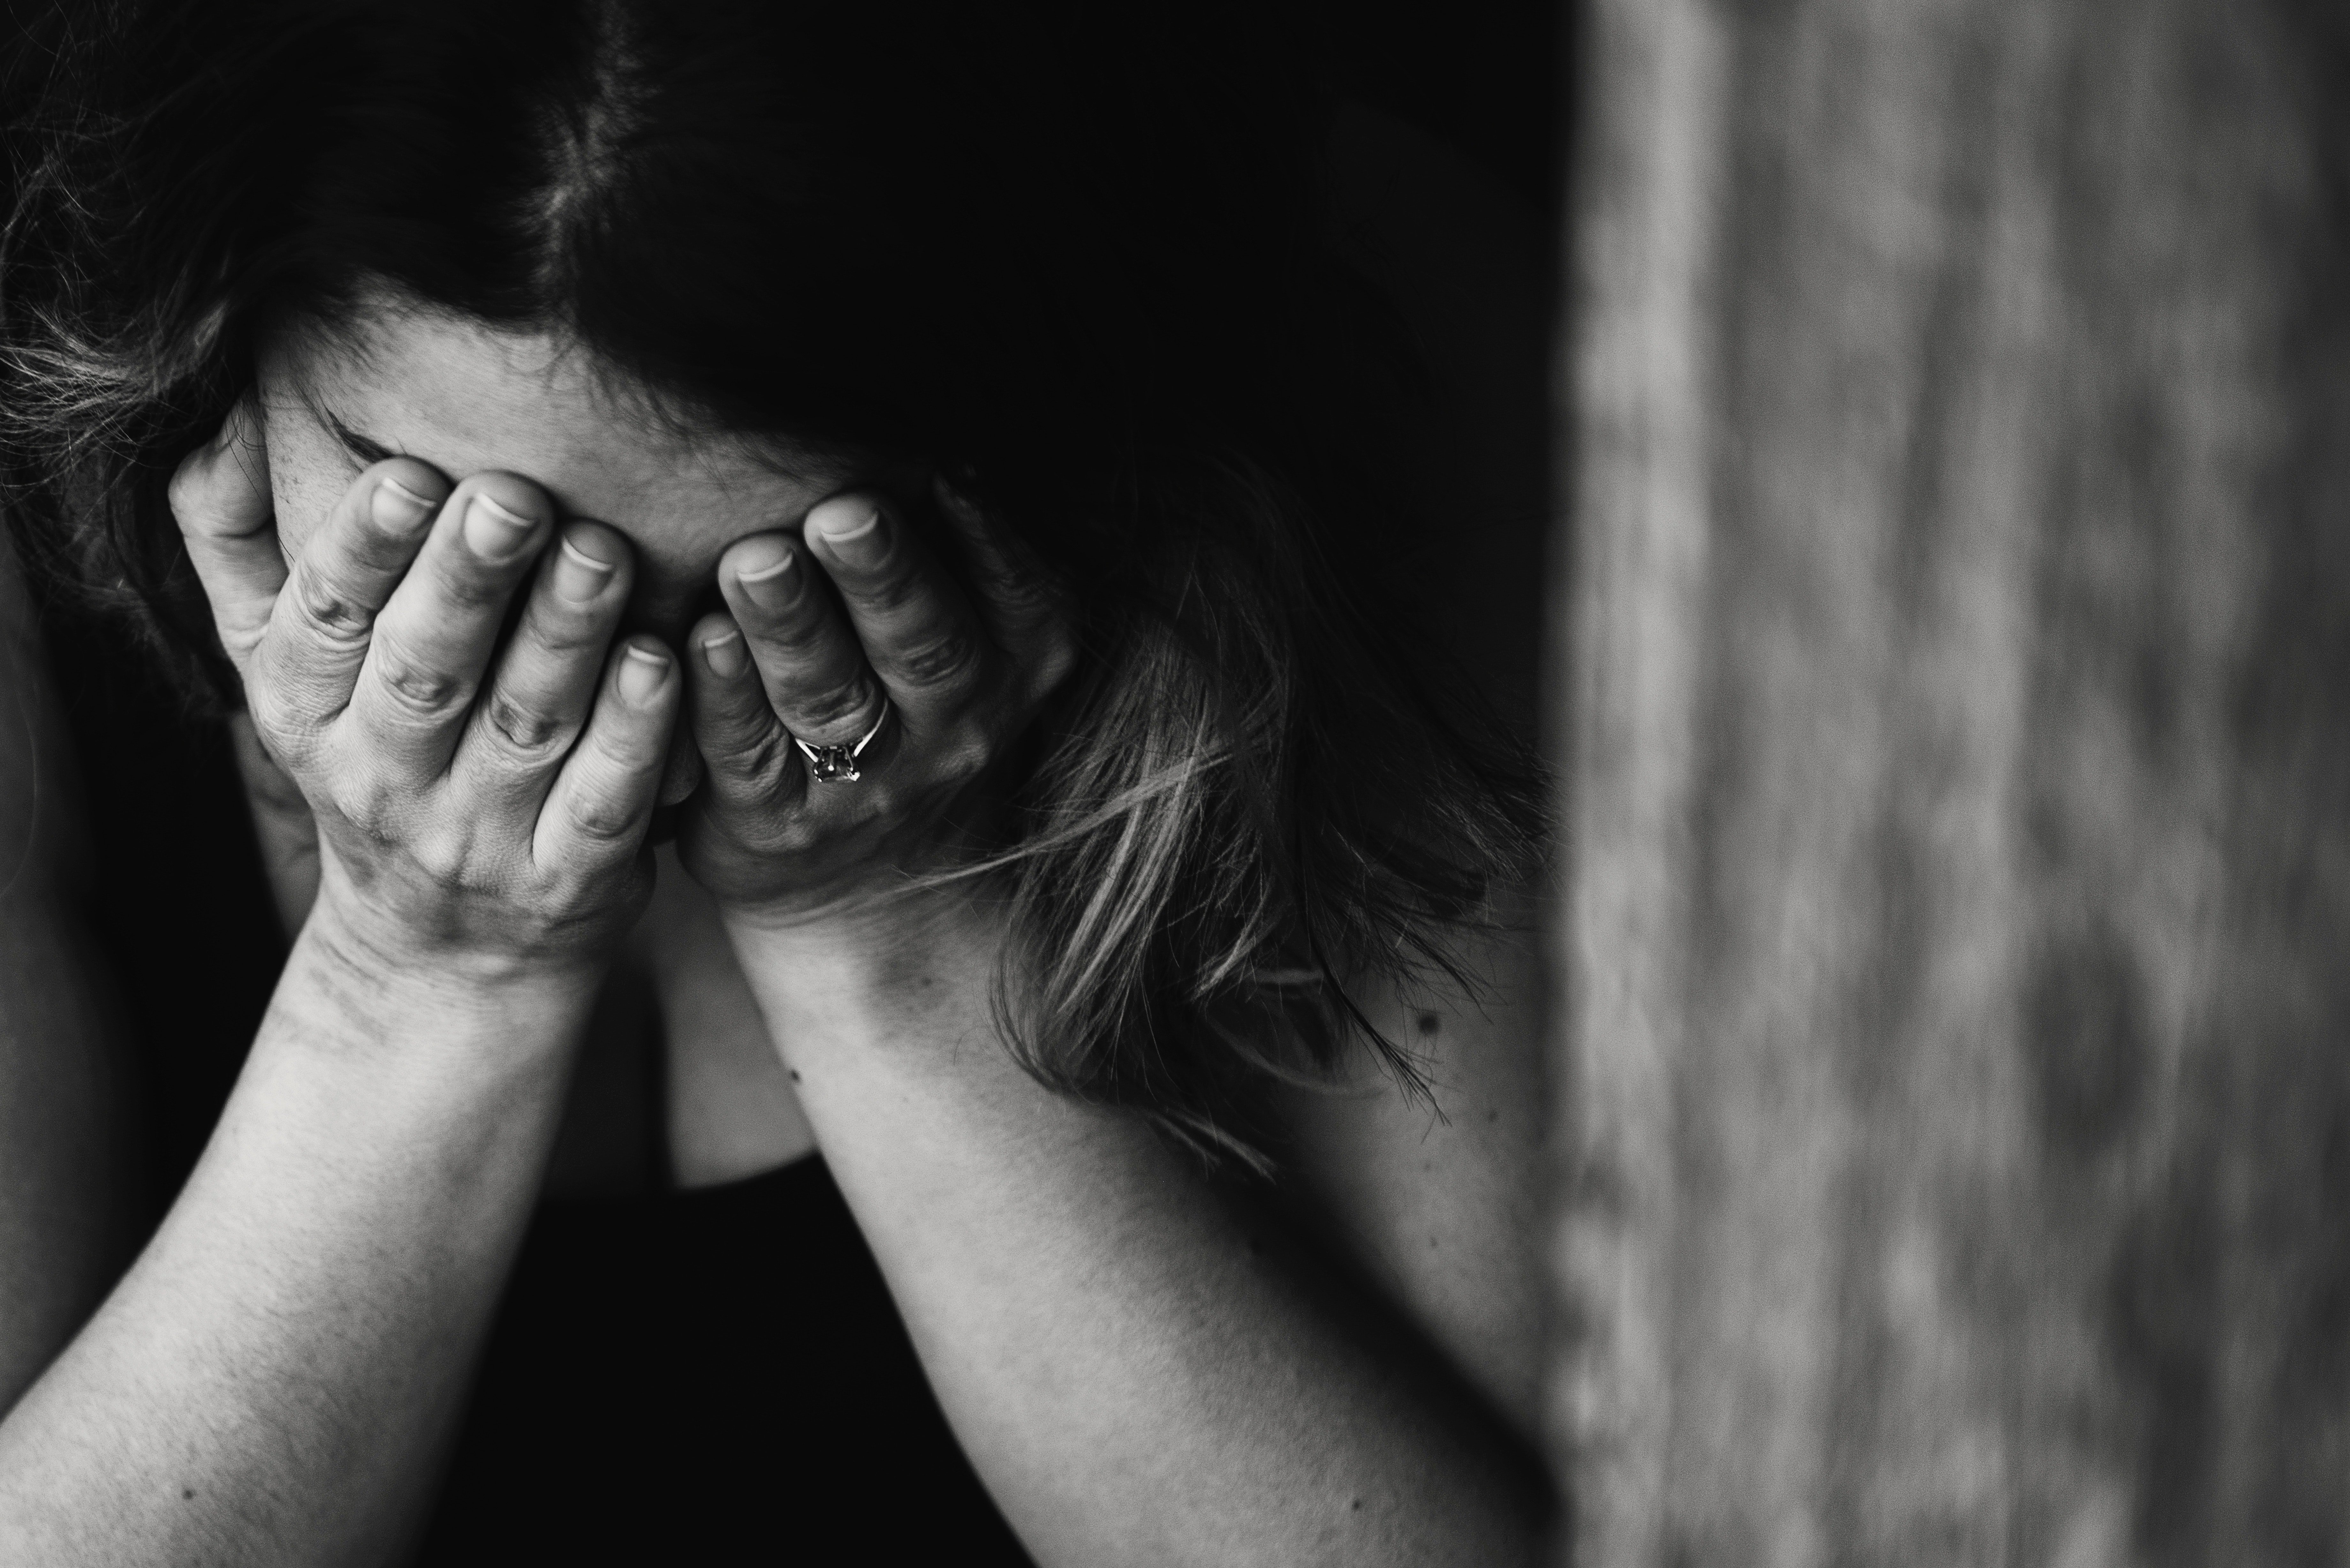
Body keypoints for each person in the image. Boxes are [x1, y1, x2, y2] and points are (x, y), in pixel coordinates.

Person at [0, 1, 1553, 1561]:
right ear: (206, 329)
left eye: (774, 581)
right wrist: (409, 977)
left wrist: (885, 932)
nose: (607, 697)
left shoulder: (1386, 357)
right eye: (456, 538)